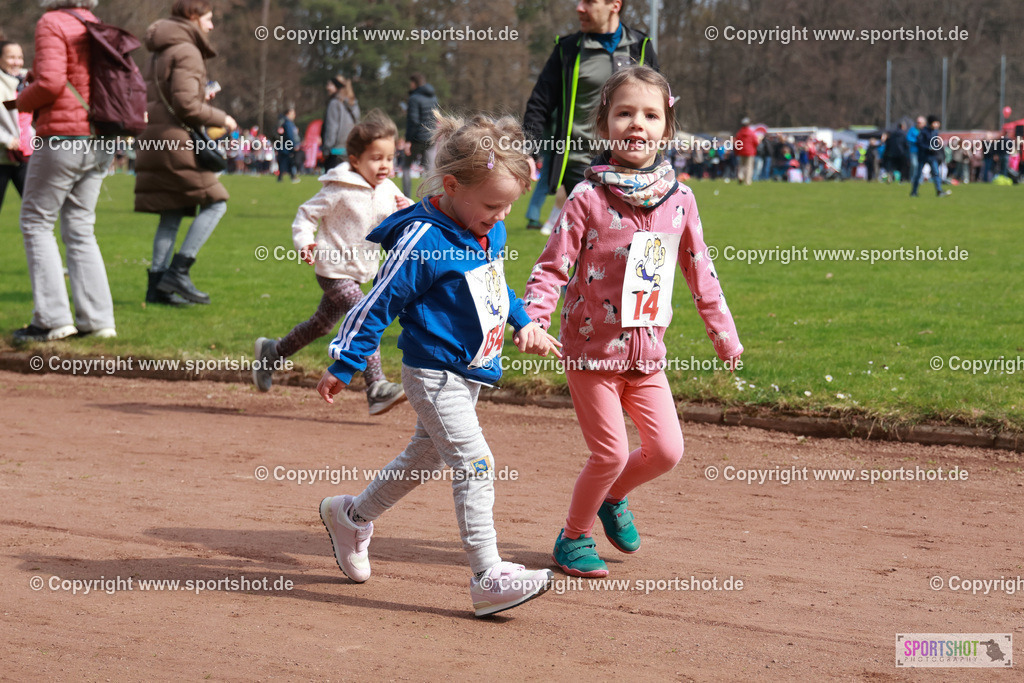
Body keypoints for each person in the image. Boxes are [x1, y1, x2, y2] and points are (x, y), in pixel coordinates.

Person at [314, 113, 560, 617]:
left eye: (508, 206)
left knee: (423, 459)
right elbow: (375, 305)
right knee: (475, 462)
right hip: (432, 373)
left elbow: (496, 285)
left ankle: (351, 516)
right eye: (492, 205)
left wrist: (522, 321)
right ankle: (488, 576)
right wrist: (344, 363)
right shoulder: (422, 241)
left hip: (469, 370)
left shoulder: (486, 229)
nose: (501, 215)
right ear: (451, 186)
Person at [522, 66, 744, 578]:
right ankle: (572, 538)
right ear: (604, 126)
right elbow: (552, 266)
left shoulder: (681, 199)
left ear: (667, 127)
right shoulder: (587, 198)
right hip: (591, 354)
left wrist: (724, 334)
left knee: (667, 451)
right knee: (610, 452)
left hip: (646, 358)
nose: (637, 124)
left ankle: (611, 496)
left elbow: (700, 270)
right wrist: (533, 319)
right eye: (624, 113)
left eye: (650, 115)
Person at [254, 110, 409, 415]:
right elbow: (306, 214)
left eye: (390, 158)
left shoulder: (389, 189)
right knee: (366, 316)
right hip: (333, 269)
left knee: (321, 324)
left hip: (360, 270)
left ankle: (272, 353)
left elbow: (404, 224)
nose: (385, 165)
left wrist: (408, 209)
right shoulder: (339, 187)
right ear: (355, 160)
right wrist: (304, 241)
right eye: (376, 158)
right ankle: (376, 386)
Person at [13, 0, 117, 343]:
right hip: (99, 138)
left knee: (36, 221)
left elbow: (51, 83)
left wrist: (19, 101)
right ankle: (98, 320)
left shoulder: (52, 22)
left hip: (63, 137)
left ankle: (51, 319)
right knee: (81, 228)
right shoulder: (93, 21)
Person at [134, 0, 238, 306]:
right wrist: (223, 118)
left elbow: (166, 97)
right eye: (208, 18)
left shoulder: (159, 51)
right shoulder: (188, 51)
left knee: (172, 212)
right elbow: (186, 105)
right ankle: (179, 272)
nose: (211, 26)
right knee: (216, 202)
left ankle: (157, 287)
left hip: (154, 139)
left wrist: (199, 96)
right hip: (176, 142)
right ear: (193, 17)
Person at [524, 0, 659, 197]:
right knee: (597, 215)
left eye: (589, 2)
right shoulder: (568, 50)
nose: (579, 8)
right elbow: (539, 104)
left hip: (633, 164)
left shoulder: (641, 46)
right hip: (581, 166)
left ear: (615, 5)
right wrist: (528, 151)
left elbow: (659, 104)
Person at [0, 40, 30, 212]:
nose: (17, 62)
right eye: (11, 57)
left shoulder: (28, 82)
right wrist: (6, 139)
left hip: (24, 156)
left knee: (36, 210)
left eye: (20, 57)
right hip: (2, 156)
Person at [400, 72, 437, 197]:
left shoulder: (414, 98)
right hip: (431, 137)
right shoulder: (433, 98)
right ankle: (433, 197)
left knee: (406, 166)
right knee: (430, 169)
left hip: (417, 138)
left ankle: (407, 196)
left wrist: (408, 140)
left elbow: (413, 121)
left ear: (414, 83)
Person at [321, 75, 358, 172]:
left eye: (330, 84)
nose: (327, 87)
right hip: (350, 150)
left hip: (335, 151)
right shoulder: (353, 104)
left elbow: (332, 128)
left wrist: (326, 149)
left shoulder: (334, 103)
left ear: (337, 86)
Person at [910, 115, 950, 197]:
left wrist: (936, 147)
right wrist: (928, 148)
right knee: (918, 174)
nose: (938, 125)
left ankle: (939, 191)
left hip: (932, 156)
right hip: (923, 156)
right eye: (936, 123)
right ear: (931, 123)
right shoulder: (923, 131)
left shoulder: (935, 132)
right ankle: (914, 192)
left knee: (936, 173)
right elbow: (919, 143)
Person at [275, 106, 300, 183]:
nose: (294, 115)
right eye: (293, 113)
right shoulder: (288, 123)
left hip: (283, 146)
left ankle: (283, 177)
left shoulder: (284, 122)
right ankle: (290, 177)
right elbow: (290, 135)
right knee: (289, 161)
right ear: (288, 114)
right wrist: (294, 144)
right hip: (287, 146)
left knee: (285, 162)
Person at [734, 117, 758, 185]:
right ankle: (747, 181)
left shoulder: (739, 133)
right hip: (750, 152)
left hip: (741, 151)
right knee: (749, 166)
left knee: (741, 165)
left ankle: (740, 176)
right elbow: (756, 142)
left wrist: (737, 151)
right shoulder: (751, 132)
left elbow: (737, 143)